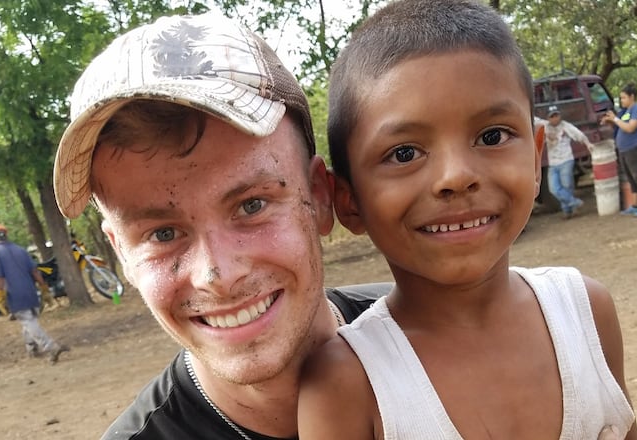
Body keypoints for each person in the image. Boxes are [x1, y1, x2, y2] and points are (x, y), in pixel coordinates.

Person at [298, 1, 637, 439]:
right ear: (348, 201)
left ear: (536, 161)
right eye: (404, 153)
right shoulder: (345, 382)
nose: (456, 176)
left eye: (492, 136)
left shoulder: (586, 314)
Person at [51, 13, 389, 439]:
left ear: (320, 198)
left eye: (252, 205)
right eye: (163, 234)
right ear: (124, 255)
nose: (220, 276)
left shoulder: (452, 340)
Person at [0, 223, 67, 363]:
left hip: (15, 295)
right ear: (6, 234)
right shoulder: (20, 250)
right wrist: (44, 289)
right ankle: (32, 349)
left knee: (28, 321)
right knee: (29, 321)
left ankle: (51, 347)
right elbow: (35, 272)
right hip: (31, 292)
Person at [535, 105, 595, 219]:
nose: (555, 118)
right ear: (548, 118)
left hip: (566, 159)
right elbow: (533, 119)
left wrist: (588, 144)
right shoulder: (544, 126)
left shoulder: (565, 126)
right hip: (553, 162)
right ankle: (574, 202)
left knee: (567, 186)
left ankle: (567, 211)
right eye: (552, 116)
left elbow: (579, 135)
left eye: (556, 115)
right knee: (554, 189)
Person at [601, 83, 637, 217]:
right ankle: (634, 205)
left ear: (632, 97)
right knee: (630, 177)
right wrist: (610, 121)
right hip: (623, 148)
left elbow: (630, 128)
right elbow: (620, 126)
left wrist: (615, 119)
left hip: (634, 147)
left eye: (623, 98)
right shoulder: (625, 111)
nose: (622, 100)